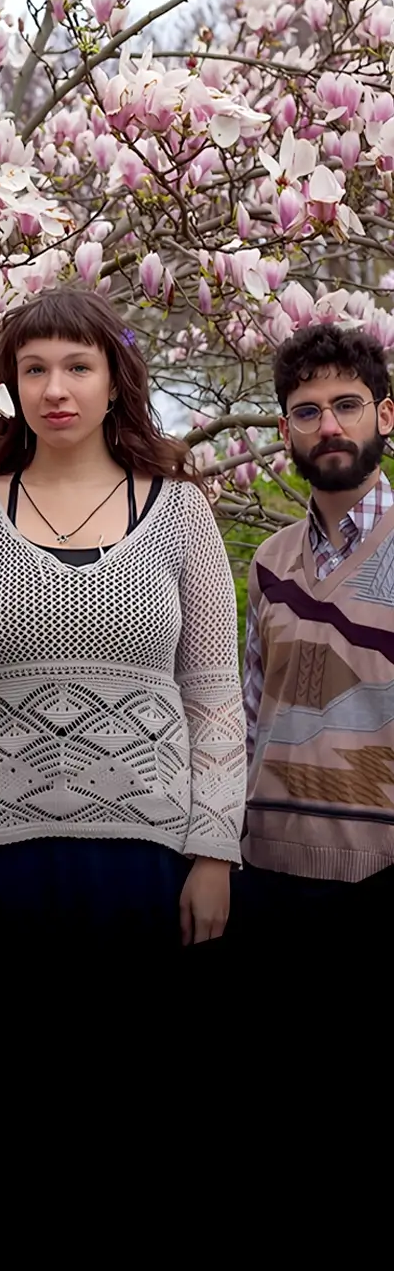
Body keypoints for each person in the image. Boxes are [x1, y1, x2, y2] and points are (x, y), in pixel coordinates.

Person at [0, 289, 247, 967]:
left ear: (114, 382)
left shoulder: (180, 511)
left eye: (78, 367)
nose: (55, 389)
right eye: (33, 369)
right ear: (10, 386)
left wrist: (213, 853)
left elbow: (215, 699)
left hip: (153, 861)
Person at [240, 324, 394, 948]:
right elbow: (250, 718)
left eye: (347, 406)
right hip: (264, 878)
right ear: (285, 433)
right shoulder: (270, 563)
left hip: (381, 876)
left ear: (385, 415)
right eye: (307, 412)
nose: (328, 426)